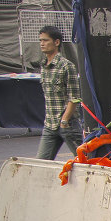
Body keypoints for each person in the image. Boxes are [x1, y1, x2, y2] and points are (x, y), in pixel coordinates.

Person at [35, 25, 82, 160]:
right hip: (50, 124)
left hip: (68, 124)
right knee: (41, 162)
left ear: (56, 42)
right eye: (40, 41)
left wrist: (64, 120)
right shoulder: (44, 66)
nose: (42, 44)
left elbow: (74, 98)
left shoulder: (67, 66)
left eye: (45, 40)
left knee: (85, 161)